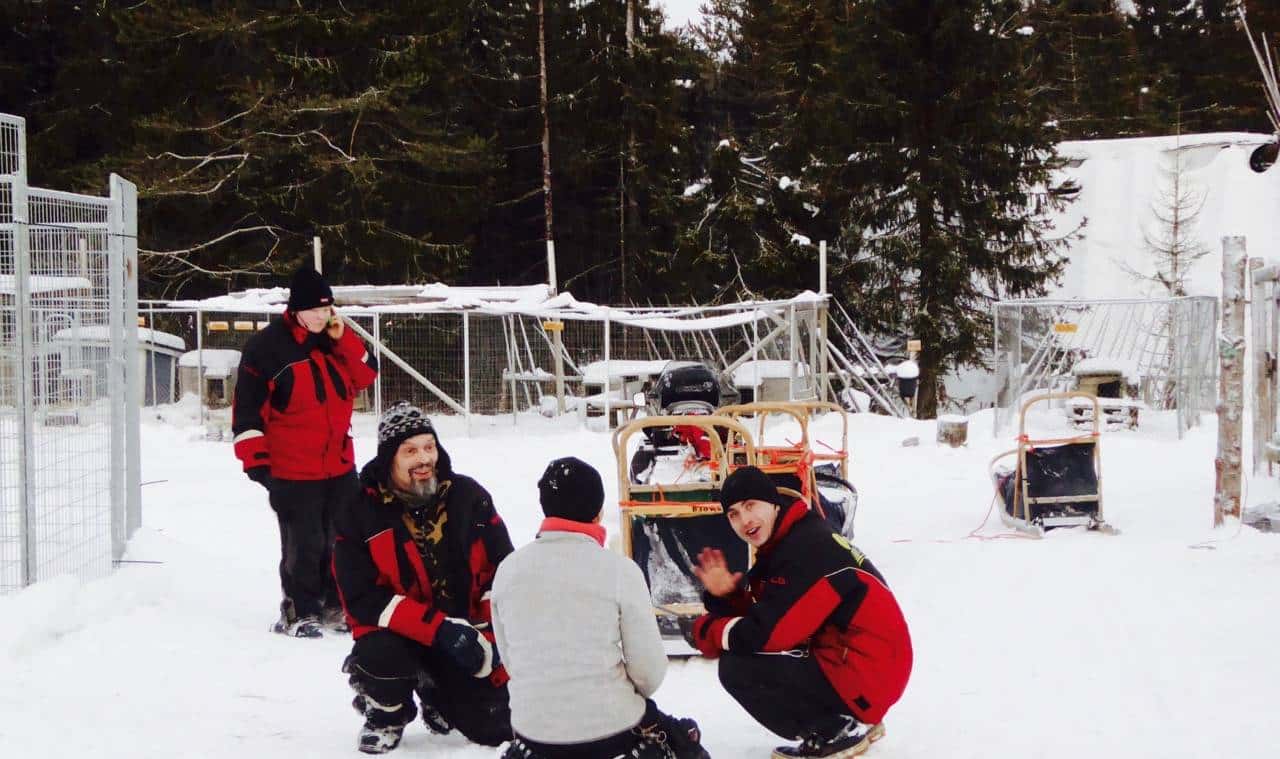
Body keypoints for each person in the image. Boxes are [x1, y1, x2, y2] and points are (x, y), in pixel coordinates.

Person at [491, 457, 710, 759]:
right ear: (598, 513)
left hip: (534, 733)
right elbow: (649, 672)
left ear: (544, 507)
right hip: (611, 733)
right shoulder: (620, 571)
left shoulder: (507, 570)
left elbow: (512, 660)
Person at [687, 466, 912, 759]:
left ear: (772, 502)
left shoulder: (806, 549)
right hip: (866, 663)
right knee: (749, 655)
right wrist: (728, 596)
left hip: (867, 672)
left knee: (738, 669)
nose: (745, 520)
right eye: (734, 514)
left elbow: (770, 633)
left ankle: (836, 729)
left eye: (750, 505)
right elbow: (776, 610)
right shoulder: (791, 538)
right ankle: (846, 721)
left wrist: (708, 631)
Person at [333, 401, 514, 754]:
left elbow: (504, 570)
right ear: (390, 458)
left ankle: (438, 694)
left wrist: (488, 635)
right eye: (410, 451)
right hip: (399, 634)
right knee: (380, 658)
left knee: (493, 728)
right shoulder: (359, 510)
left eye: (429, 447)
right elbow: (362, 599)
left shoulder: (469, 496)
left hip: (467, 631)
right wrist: (440, 630)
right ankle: (386, 714)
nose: (423, 459)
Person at [232, 264, 378, 638]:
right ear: (295, 308)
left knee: (342, 540)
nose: (321, 315)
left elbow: (366, 374)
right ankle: (300, 611)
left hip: (339, 465)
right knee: (304, 544)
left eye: (327, 308)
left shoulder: (334, 341)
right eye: (314, 308)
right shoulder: (266, 348)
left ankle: (335, 606)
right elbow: (247, 413)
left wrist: (343, 336)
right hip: (292, 470)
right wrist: (259, 466)